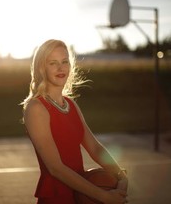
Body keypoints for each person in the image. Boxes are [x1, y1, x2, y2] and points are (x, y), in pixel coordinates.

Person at [21, 39, 128, 204]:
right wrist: (105, 197)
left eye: (65, 61)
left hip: (82, 193)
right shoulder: (36, 108)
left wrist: (120, 175)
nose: (60, 68)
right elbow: (55, 168)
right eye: (53, 63)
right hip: (58, 196)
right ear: (41, 68)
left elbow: (94, 147)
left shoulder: (71, 104)